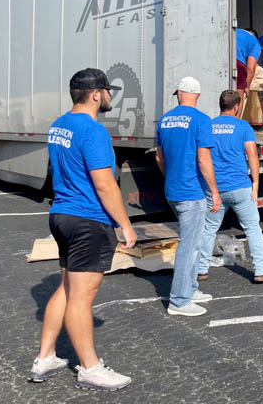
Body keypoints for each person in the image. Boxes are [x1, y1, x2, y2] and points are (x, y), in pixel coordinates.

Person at [29, 68, 136, 392]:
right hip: (88, 220)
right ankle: (89, 368)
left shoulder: (58, 125)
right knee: (81, 297)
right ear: (95, 94)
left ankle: (45, 358)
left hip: (61, 216)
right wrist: (126, 225)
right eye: (107, 91)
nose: (109, 97)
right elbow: (104, 186)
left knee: (65, 287)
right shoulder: (93, 131)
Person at [197, 90, 263, 283]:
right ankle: (261, 270)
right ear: (237, 107)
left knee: (209, 229)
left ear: (220, 105)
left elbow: (201, 156)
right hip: (240, 186)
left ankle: (201, 269)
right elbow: (252, 155)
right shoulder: (243, 126)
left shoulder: (207, 126)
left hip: (215, 188)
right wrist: (256, 183)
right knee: (252, 228)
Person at [156, 77, 222, 317]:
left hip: (172, 189)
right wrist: (214, 191)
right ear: (198, 95)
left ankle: (191, 288)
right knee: (190, 246)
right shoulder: (201, 120)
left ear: (180, 94)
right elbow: (204, 159)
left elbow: (159, 158)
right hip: (191, 191)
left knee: (191, 243)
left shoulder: (165, 120)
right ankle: (179, 301)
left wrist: (171, 177)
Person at [235, 28, 262, 120]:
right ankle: (235, 124)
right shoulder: (255, 43)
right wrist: (247, 86)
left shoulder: (235, 31)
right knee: (239, 96)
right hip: (238, 63)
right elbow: (251, 68)